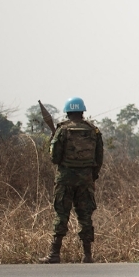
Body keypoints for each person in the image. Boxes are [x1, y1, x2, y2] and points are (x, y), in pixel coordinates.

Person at [42, 97, 103, 264]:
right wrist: (92, 176)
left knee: (61, 214)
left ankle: (54, 254)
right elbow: (99, 157)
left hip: (65, 180)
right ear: (82, 111)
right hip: (86, 180)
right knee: (85, 216)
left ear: (68, 112)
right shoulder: (93, 130)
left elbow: (54, 158)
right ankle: (87, 255)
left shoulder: (62, 130)